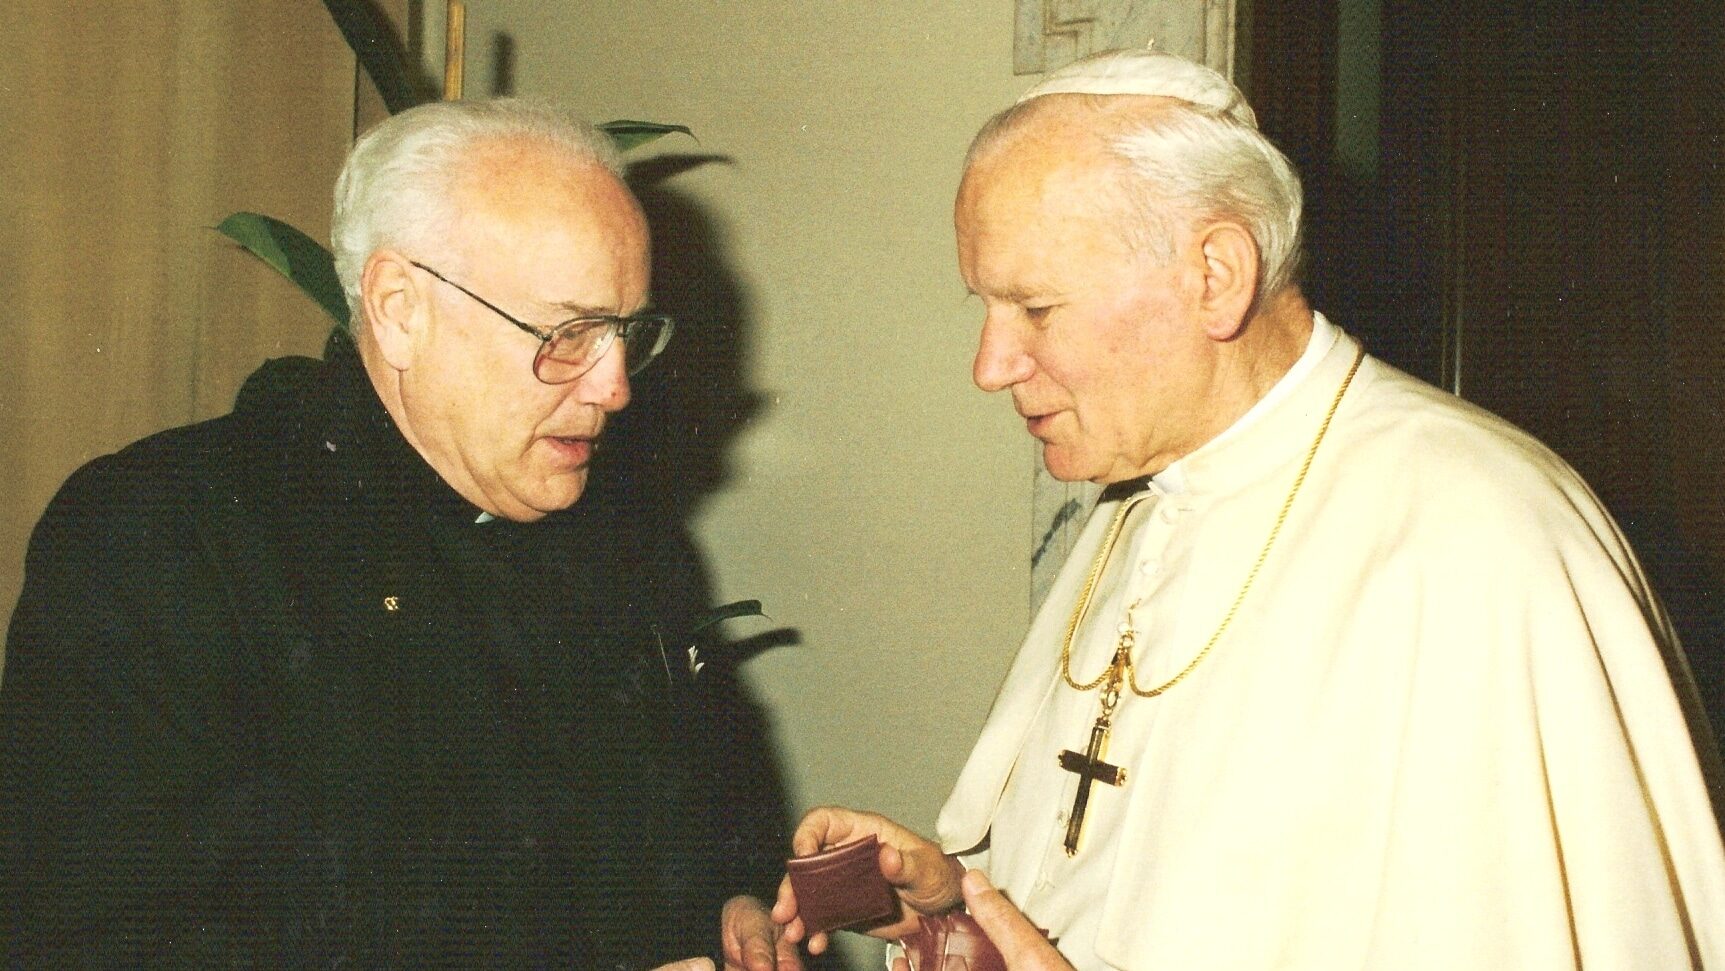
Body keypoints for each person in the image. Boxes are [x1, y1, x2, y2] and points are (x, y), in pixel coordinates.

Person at [738, 50, 1725, 970]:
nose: (990, 367)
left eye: (1035, 309)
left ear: (1215, 274)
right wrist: (960, 911)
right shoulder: (1139, 508)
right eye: (985, 311)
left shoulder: (1481, 539)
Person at [1, 98, 773, 969]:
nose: (615, 386)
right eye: (568, 333)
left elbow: (696, 813)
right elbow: (102, 941)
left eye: (627, 332)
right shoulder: (161, 542)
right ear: (400, 307)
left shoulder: (626, 546)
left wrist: (730, 899)